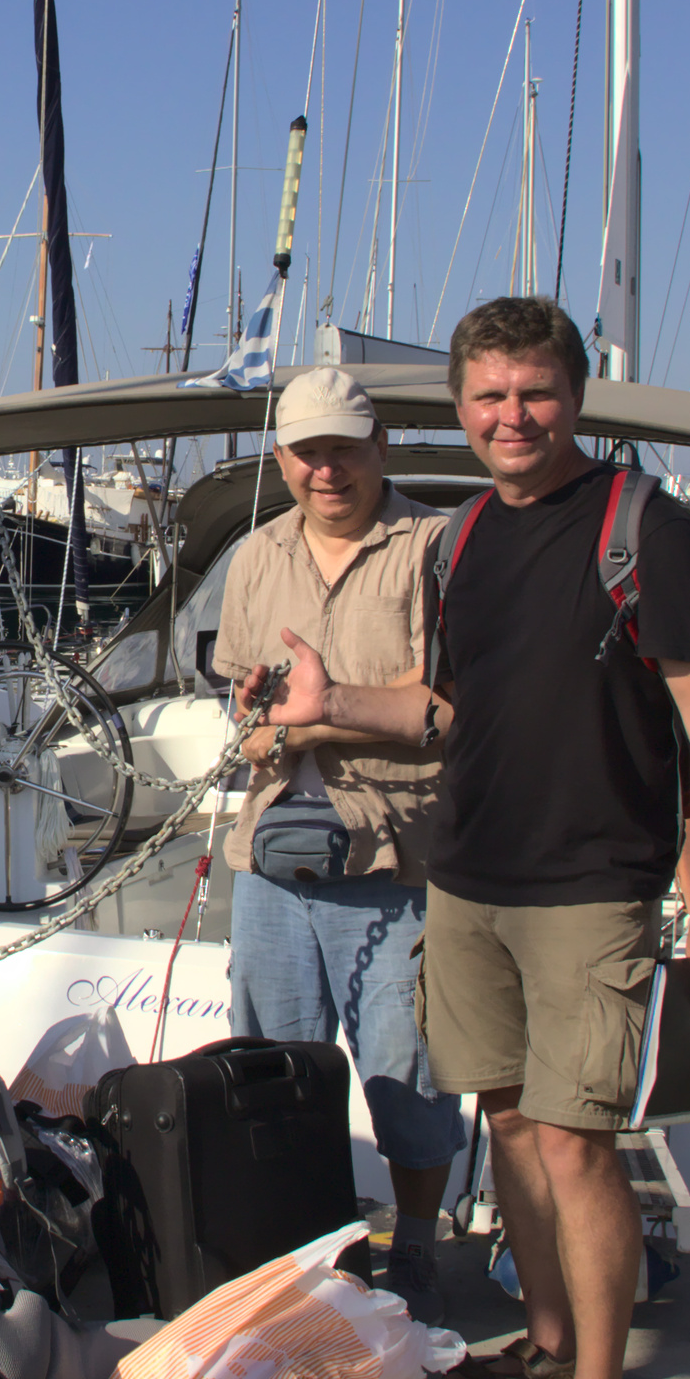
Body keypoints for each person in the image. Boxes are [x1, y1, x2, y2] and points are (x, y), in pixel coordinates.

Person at [245, 296, 690, 1379]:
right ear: (461, 407)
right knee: (512, 1123)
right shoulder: (464, 538)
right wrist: (331, 700)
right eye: (489, 396)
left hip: (591, 882)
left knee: (578, 1142)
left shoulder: (644, 528)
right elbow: (446, 712)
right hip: (467, 876)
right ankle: (547, 1344)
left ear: (572, 398)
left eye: (534, 393)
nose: (511, 417)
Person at [209, 367, 463, 1326]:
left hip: (401, 865)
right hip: (274, 864)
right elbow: (244, 711)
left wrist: (314, 723)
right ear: (281, 460)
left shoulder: (435, 547)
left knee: (411, 1076)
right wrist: (264, 730)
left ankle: (419, 1248)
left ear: (380, 448)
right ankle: (302, 1251)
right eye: (308, 452)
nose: (327, 470)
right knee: (275, 1072)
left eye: (344, 450)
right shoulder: (255, 556)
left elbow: (447, 709)